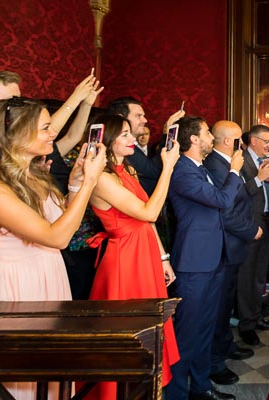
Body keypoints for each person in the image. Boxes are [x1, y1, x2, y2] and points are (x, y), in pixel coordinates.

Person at [0, 97, 106, 399]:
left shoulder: (32, 175)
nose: (51, 133)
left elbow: (62, 225)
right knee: (24, 380)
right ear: (15, 133)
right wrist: (90, 183)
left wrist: (76, 182)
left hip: (47, 274)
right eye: (44, 128)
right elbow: (56, 237)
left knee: (50, 375)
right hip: (18, 287)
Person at [86, 113, 181, 399]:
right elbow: (150, 211)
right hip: (125, 261)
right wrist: (168, 167)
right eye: (124, 134)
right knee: (129, 333)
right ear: (106, 140)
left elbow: (147, 222)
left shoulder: (125, 170)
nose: (132, 139)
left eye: (130, 133)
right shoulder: (101, 178)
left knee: (152, 327)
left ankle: (147, 389)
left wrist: (163, 257)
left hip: (145, 252)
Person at [166, 116, 244, 400]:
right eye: (207, 133)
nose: (212, 137)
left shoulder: (200, 168)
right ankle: (176, 395)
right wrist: (234, 172)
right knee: (187, 335)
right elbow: (222, 202)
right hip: (193, 263)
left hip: (212, 259)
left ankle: (201, 389)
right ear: (194, 139)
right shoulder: (183, 171)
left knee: (205, 331)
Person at [203, 120, 261, 385]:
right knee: (217, 308)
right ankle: (214, 361)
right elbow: (225, 210)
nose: (243, 142)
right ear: (228, 141)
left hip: (233, 246)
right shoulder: (216, 165)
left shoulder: (229, 162)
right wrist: (251, 230)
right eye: (240, 138)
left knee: (225, 303)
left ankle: (225, 344)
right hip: (224, 245)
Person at [237, 124, 269, 346]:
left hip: (267, 222)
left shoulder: (265, 161)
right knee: (247, 276)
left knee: (260, 274)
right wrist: (259, 179)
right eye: (267, 141)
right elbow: (236, 195)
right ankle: (246, 325)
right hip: (250, 226)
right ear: (253, 140)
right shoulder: (240, 160)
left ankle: (256, 316)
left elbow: (266, 191)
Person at [106, 96, 184, 197]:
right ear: (121, 118)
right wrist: (167, 134)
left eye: (143, 115)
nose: (145, 120)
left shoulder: (131, 147)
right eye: (138, 116)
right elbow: (154, 170)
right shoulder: (122, 149)